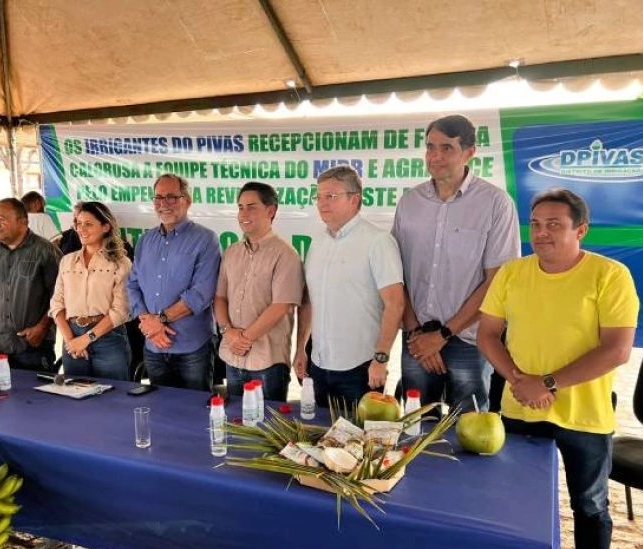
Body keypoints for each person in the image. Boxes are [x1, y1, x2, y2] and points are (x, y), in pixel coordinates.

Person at [478, 189, 638, 549]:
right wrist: (520, 381)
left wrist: (547, 383)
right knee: (518, 502)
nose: (541, 233)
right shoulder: (512, 272)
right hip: (520, 409)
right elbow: (487, 336)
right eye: (535, 224)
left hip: (585, 416)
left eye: (554, 224)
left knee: (590, 506)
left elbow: (617, 350)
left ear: (580, 230)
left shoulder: (610, 275)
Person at [391, 114, 520, 413]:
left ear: (469, 152)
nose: (435, 156)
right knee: (416, 425)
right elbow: (395, 274)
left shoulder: (496, 203)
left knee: (470, 429)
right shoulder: (409, 203)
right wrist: (416, 333)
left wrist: (443, 335)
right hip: (417, 339)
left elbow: (497, 281)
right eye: (430, 147)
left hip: (469, 340)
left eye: (447, 148)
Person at [293, 165, 404, 407]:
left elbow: (395, 304)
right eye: (319, 197)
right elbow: (309, 301)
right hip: (319, 365)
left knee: (360, 441)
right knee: (321, 439)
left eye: (330, 196)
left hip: (362, 368)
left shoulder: (378, 242)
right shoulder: (317, 243)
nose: (322, 203)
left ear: (354, 199)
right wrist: (300, 347)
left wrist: (382, 359)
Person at [127, 173, 221, 391]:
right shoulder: (145, 240)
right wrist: (148, 323)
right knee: (160, 413)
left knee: (195, 415)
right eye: (158, 198)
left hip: (193, 347)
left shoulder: (206, 239)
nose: (164, 204)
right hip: (153, 346)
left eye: (171, 197)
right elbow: (133, 285)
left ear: (187, 201)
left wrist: (159, 320)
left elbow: (201, 294)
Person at [214, 182, 304, 401]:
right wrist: (228, 332)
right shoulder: (232, 252)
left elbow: (280, 306)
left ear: (271, 211)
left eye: (251, 207)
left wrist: (242, 339)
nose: (243, 213)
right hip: (233, 357)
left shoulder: (285, 255)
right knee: (236, 423)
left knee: (267, 429)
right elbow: (219, 297)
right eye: (240, 207)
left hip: (267, 361)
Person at [49, 202, 132, 380]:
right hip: (71, 337)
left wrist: (86, 339)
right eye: (78, 223)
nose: (81, 229)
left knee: (113, 399)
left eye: (88, 224)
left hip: (108, 338)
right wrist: (71, 341)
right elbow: (57, 304)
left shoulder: (121, 262)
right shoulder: (67, 261)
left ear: (106, 227)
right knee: (77, 402)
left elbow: (120, 310)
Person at [0, 198, 61, 371]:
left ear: (23, 221)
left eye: (3, 219)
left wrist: (42, 327)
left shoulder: (46, 251)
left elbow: (61, 295)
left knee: (39, 396)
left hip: (34, 346)